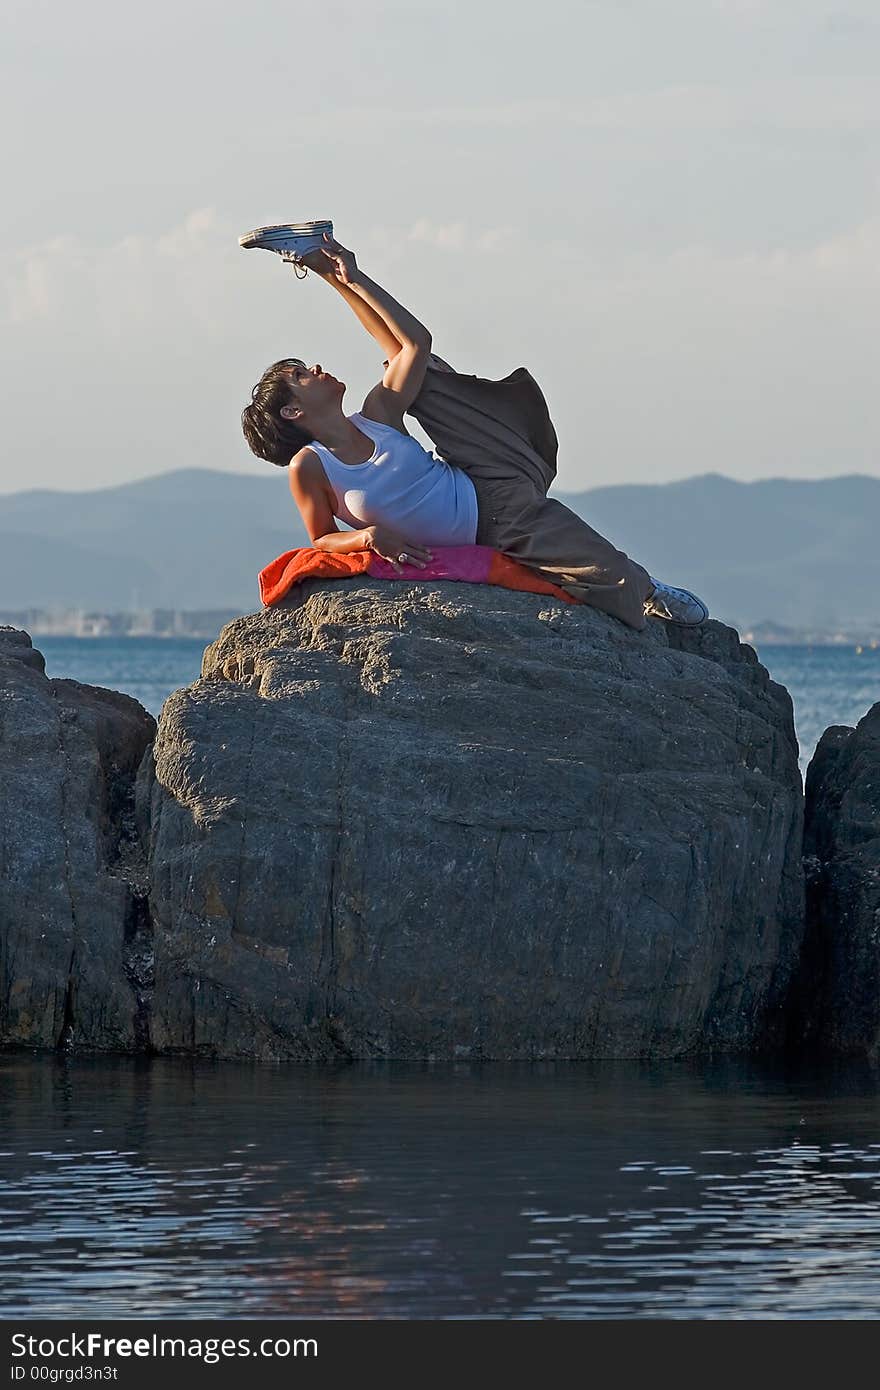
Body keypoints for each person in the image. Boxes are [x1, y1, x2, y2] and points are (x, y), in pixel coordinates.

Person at [240, 228, 708, 630]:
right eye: (301, 376)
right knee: (604, 572)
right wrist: (365, 538)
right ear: (292, 414)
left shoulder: (377, 415)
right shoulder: (311, 466)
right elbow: (321, 538)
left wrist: (347, 277)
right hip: (499, 525)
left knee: (419, 374)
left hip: (487, 471)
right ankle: (647, 587)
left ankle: (316, 259)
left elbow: (414, 344)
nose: (315, 368)